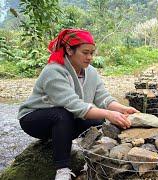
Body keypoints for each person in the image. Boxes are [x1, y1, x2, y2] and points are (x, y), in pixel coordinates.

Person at [17, 29, 138, 180]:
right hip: (34, 120)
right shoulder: (53, 71)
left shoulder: (91, 72)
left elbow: (103, 98)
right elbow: (74, 105)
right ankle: (62, 169)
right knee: (62, 114)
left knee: (97, 120)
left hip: (65, 119)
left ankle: (89, 156)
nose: (90, 57)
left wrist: (122, 109)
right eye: (85, 52)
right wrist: (109, 114)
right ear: (69, 50)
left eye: (92, 53)